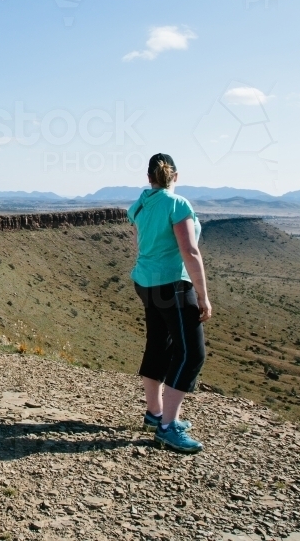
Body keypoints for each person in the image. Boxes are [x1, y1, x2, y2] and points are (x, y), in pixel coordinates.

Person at [127, 153, 211, 454]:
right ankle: (167, 428)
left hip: (145, 282)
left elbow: (143, 241)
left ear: (148, 176)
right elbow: (190, 251)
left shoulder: (138, 205)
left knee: (159, 345)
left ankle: (155, 413)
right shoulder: (177, 205)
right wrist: (203, 296)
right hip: (172, 285)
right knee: (191, 354)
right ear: (175, 175)